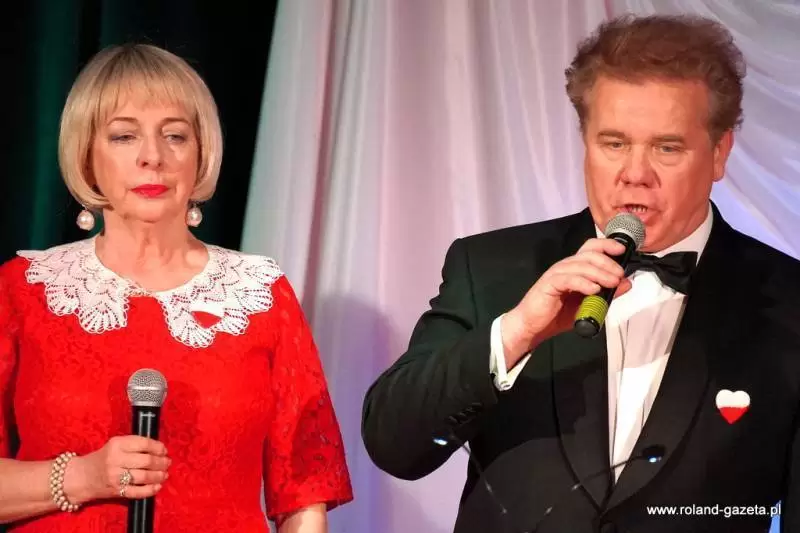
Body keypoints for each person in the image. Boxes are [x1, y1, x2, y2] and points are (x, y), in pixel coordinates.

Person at [362, 14, 800, 533]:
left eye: (667, 147)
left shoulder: (788, 300)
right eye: (614, 143)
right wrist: (515, 333)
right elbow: (394, 445)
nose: (635, 174)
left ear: (719, 152)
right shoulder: (490, 267)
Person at [0, 43, 353, 532]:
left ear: (201, 153)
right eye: (124, 136)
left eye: (175, 136)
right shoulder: (24, 290)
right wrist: (82, 476)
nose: (153, 157)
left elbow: (304, 493)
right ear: (86, 155)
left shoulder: (259, 294)